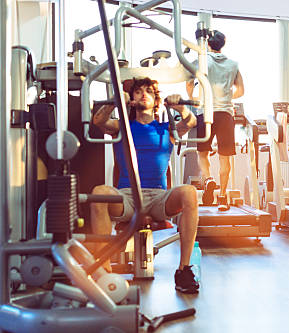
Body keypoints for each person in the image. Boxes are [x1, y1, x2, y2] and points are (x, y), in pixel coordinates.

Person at [91, 77, 201, 293]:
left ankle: (184, 270)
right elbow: (99, 121)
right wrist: (114, 102)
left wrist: (180, 107)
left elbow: (190, 123)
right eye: (138, 91)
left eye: (149, 91)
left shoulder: (166, 129)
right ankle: (104, 272)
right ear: (131, 100)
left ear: (156, 100)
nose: (143, 94)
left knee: (189, 192)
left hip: (159, 198)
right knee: (99, 193)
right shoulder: (122, 126)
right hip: (127, 197)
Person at [195, 30, 244, 211]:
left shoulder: (202, 61)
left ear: (208, 44)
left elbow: (188, 82)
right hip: (225, 113)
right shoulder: (233, 64)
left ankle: (208, 179)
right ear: (223, 43)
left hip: (205, 112)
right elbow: (241, 91)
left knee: (202, 153)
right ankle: (222, 197)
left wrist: (194, 97)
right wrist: (228, 96)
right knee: (225, 159)